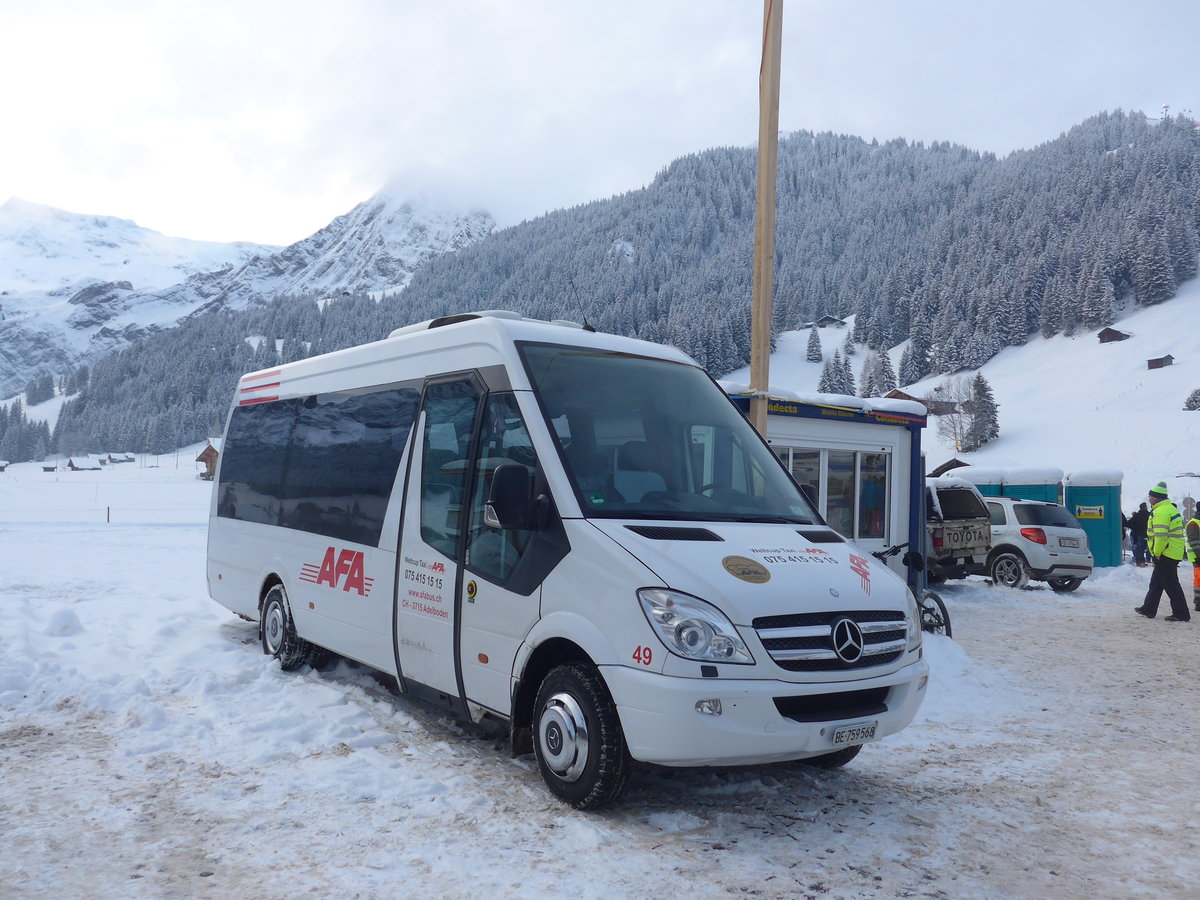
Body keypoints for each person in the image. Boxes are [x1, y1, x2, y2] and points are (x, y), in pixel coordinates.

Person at [1134, 482, 1190, 622]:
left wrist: (1157, 553)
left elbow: (1160, 536)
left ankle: (1181, 614)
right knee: (1157, 582)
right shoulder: (1168, 508)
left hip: (1166, 553)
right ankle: (1148, 609)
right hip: (1172, 551)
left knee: (1170, 584)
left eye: (1151, 496)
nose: (1149, 498)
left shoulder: (1162, 511)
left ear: (1157, 498)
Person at [1127, 502, 1151, 567]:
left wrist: (1135, 529)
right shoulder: (1149, 515)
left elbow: (1129, 524)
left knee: (1140, 549)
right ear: (1145, 507)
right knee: (1150, 547)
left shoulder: (1137, 515)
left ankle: (1141, 563)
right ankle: (1151, 561)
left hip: (1139, 534)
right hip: (1148, 534)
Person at [1187, 512, 1200, 612]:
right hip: (1197, 557)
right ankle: (1198, 602)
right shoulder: (1194, 523)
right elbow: (1194, 541)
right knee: (1199, 580)